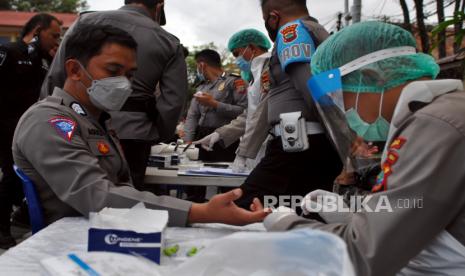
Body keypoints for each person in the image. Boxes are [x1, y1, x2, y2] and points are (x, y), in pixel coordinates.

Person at [13, 24, 268, 230]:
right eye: (113, 70)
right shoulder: (49, 121)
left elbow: (123, 189)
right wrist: (201, 212)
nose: (124, 83)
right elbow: (97, 196)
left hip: (111, 230)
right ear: (74, 70)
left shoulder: (97, 120)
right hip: (71, 243)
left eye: (129, 74)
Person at [264, 21, 465, 276]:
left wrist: (284, 224)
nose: (345, 112)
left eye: (340, 97)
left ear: (371, 77)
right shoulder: (440, 114)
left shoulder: (435, 126)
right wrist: (353, 217)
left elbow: (361, 255)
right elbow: (414, 216)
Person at [41, 0, 187, 190]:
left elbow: (56, 77)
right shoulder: (168, 42)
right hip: (134, 133)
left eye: (129, 74)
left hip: (74, 124)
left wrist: (50, 115)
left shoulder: (85, 22)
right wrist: (161, 135)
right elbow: (173, 102)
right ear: (159, 7)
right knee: (126, 199)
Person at [234, 0, 342, 208]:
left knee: (245, 208)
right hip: (310, 144)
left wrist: (344, 145)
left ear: (273, 17)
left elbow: (313, 89)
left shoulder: (291, 32)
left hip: (298, 148)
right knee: (303, 219)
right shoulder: (321, 34)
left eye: (266, 20)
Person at [0, 13, 61, 249]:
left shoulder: (45, 60)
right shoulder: (11, 51)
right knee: (11, 174)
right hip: (6, 125)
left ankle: (22, 215)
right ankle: (2, 227)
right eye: (54, 35)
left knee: (32, 175)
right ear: (38, 30)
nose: (57, 41)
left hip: (32, 127)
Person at [194, 29, 272, 173]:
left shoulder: (270, 69)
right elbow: (250, 114)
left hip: (265, 142)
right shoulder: (256, 74)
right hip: (255, 144)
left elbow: (261, 114)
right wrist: (219, 134)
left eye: (237, 53)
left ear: (252, 48)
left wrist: (243, 153)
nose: (237, 59)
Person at [184, 49, 247, 162]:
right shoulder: (201, 86)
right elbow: (192, 115)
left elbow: (244, 111)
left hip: (224, 138)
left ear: (202, 65)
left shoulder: (234, 81)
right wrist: (188, 141)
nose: (198, 70)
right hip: (200, 137)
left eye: (197, 66)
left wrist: (214, 104)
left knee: (221, 175)